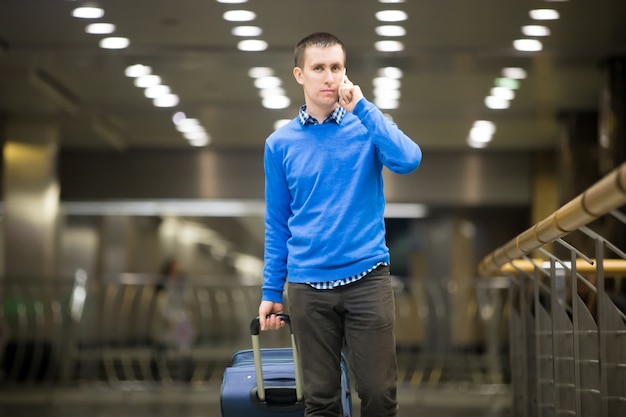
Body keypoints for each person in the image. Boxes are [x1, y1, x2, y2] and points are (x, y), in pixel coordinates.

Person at [258, 32, 422, 416]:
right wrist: (270, 289)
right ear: (300, 75)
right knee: (320, 400)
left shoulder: (367, 125)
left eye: (336, 68)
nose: (329, 77)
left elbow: (409, 159)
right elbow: (277, 222)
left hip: (367, 278)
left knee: (380, 395)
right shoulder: (279, 144)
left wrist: (363, 107)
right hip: (306, 286)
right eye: (319, 68)